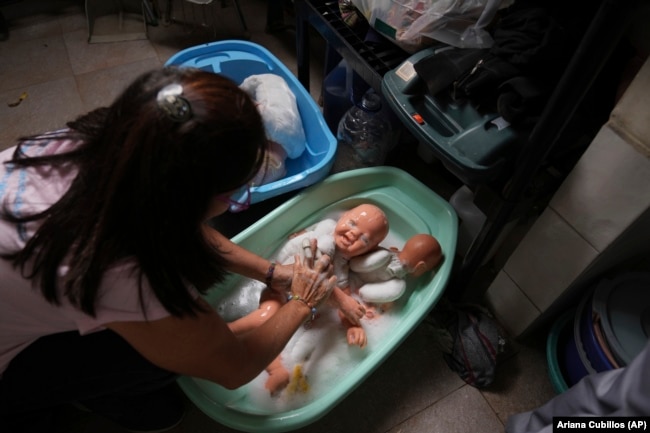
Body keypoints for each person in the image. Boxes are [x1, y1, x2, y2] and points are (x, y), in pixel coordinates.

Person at [0, 67, 337, 433]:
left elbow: (181, 227)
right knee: (160, 366)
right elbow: (233, 367)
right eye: (233, 195)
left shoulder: (103, 143)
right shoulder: (121, 270)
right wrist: (303, 302)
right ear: (189, 199)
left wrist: (272, 273)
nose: (230, 204)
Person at [228, 204, 390, 395]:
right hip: (278, 292)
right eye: (352, 223)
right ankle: (227, 332)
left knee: (279, 339)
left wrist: (352, 325)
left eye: (364, 238)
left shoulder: (342, 272)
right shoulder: (326, 228)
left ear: (367, 252)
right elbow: (311, 231)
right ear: (343, 217)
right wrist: (301, 233)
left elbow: (344, 305)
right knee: (268, 315)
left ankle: (275, 370)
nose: (353, 233)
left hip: (300, 311)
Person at [350, 233, 443, 312]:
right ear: (420, 267)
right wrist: (389, 302)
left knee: (382, 255)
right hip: (360, 280)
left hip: (354, 263)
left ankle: (352, 264)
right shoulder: (399, 281)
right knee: (398, 288)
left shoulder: (390, 252)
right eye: (425, 270)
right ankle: (362, 292)